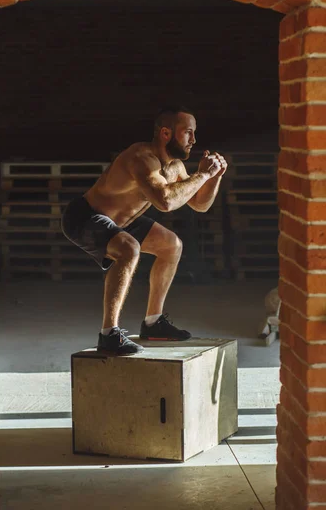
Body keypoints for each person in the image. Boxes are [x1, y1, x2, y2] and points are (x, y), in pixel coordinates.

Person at [61, 105, 227, 355]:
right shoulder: (141, 158)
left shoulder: (175, 168)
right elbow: (166, 201)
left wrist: (213, 177)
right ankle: (109, 335)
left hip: (122, 222)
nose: (194, 140)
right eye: (188, 133)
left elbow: (200, 205)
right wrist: (202, 175)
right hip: (85, 216)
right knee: (129, 248)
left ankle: (153, 322)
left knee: (172, 245)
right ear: (165, 133)